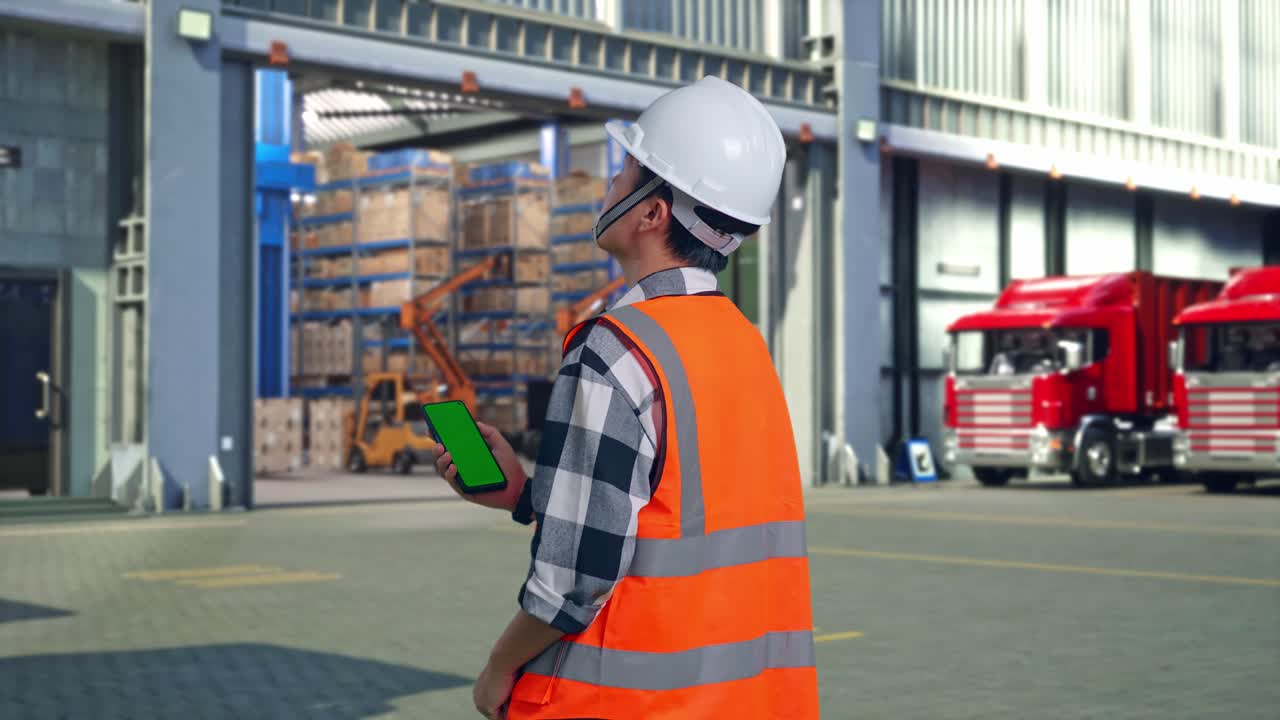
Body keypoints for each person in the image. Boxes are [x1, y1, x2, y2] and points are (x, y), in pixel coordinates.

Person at [434, 76, 819, 720]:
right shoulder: (744, 344)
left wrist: (500, 667)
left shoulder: (616, 349)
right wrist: (529, 495)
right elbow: (682, 518)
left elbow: (574, 581)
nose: (609, 186)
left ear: (651, 212)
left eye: (623, 171)